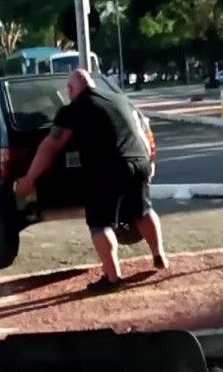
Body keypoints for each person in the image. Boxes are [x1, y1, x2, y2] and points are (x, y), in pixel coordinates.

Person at [14, 69, 169, 292]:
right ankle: (159, 255)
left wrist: (29, 179)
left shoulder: (73, 110)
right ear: (92, 83)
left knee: (100, 223)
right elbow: (139, 128)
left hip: (108, 169)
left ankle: (113, 278)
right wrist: (149, 160)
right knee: (142, 211)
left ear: (70, 89)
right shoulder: (118, 98)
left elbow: (51, 145)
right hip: (139, 161)